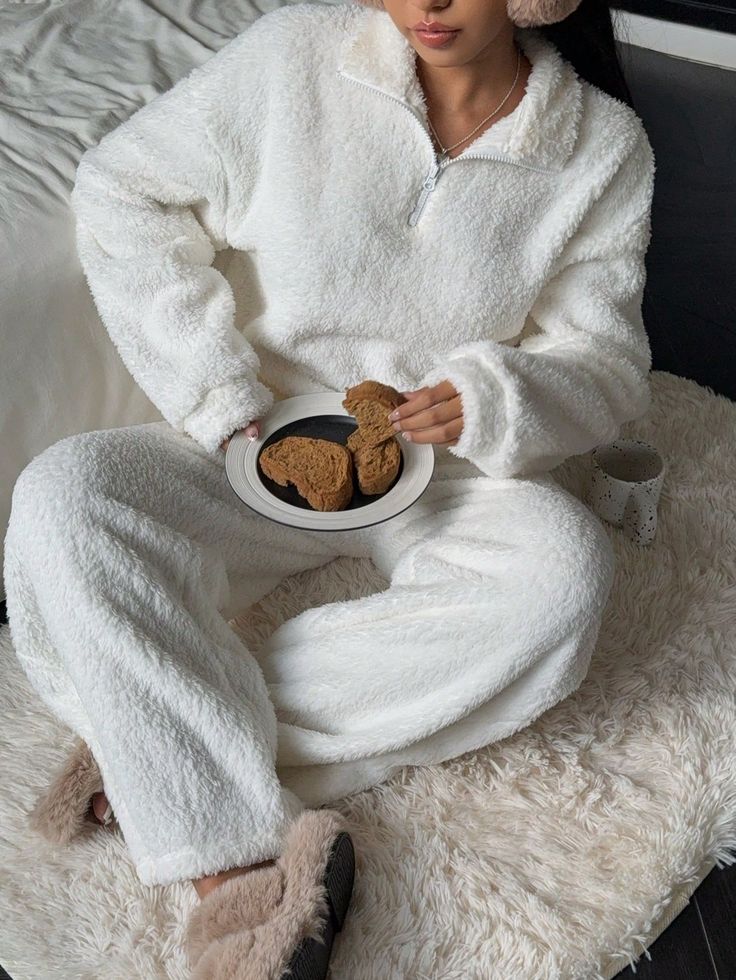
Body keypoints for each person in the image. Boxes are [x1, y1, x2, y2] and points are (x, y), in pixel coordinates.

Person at [3, 0, 655, 974]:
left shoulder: (600, 148)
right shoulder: (290, 56)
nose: (426, 3)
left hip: (449, 461)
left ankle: (161, 738)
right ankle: (228, 855)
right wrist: (215, 388)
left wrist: (493, 394)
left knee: (561, 578)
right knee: (65, 494)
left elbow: (604, 363)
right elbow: (122, 188)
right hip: (253, 433)